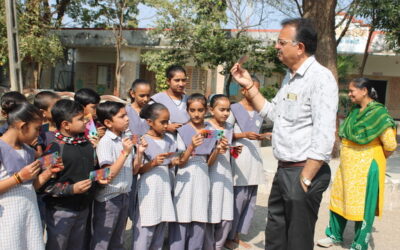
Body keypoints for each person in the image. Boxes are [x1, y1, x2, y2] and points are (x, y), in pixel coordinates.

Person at [231, 17, 338, 250]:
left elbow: (324, 133)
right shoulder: (290, 77)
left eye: (281, 42)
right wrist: (249, 86)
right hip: (284, 170)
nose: (276, 47)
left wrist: (307, 177)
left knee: (297, 241)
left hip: (303, 171)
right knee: (276, 235)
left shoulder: (320, 79)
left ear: (299, 47)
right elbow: (272, 112)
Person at [317, 78, 397, 250]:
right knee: (340, 199)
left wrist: (371, 156)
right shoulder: (354, 111)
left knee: (362, 206)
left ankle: (360, 243)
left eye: (353, 90)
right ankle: (334, 235)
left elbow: (390, 145)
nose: (350, 93)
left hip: (366, 167)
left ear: (364, 91)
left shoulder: (379, 114)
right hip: (347, 167)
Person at [42, 99, 104, 250]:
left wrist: (101, 176)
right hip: (61, 211)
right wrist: (72, 189)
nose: (86, 122)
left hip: (83, 208)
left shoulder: (88, 144)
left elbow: (92, 171)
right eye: (80, 119)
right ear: (65, 124)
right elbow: (45, 186)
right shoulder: (54, 148)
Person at [0, 102, 63, 250]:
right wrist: (19, 177)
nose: (39, 133)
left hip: (28, 212)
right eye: (37, 129)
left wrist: (48, 172)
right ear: (23, 126)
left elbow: (31, 187)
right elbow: (21, 180)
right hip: (7, 216)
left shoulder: (29, 151)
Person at [91, 101, 147, 250]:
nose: (127, 119)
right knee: (103, 240)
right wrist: (125, 152)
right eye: (122, 116)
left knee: (118, 240)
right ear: (108, 123)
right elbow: (108, 175)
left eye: (126, 115)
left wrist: (139, 152)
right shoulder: (106, 142)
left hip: (124, 195)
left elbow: (135, 170)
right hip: (109, 199)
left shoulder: (126, 139)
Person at [169, 93, 221, 250]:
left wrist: (218, 149)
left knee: (199, 216)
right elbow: (181, 161)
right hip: (185, 176)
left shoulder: (211, 131)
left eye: (200, 110)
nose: (196, 114)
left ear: (206, 110)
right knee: (182, 215)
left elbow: (209, 162)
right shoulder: (183, 130)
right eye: (192, 110)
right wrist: (191, 146)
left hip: (203, 176)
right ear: (187, 110)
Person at [225, 76, 268, 249]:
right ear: (243, 90)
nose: (254, 92)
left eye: (256, 89)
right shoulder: (234, 109)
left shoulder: (260, 110)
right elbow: (223, 134)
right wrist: (243, 135)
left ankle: (236, 235)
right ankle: (227, 235)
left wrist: (265, 137)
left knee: (250, 200)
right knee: (237, 199)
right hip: (238, 157)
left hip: (254, 159)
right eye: (251, 89)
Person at [133, 103, 180, 250]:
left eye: (168, 122)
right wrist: (153, 163)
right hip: (149, 190)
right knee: (146, 227)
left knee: (161, 223)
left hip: (165, 187)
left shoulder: (170, 140)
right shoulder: (142, 141)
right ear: (149, 122)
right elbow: (138, 170)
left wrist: (174, 162)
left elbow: (168, 165)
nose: (166, 126)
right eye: (162, 122)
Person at [203, 94, 233, 250]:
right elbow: (206, 153)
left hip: (226, 172)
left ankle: (219, 245)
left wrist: (233, 150)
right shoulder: (207, 128)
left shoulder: (229, 127)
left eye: (228, 110)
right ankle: (209, 246)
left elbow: (231, 151)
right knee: (212, 209)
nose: (226, 113)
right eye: (222, 109)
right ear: (211, 109)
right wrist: (217, 149)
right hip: (211, 172)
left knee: (226, 210)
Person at [125, 79, 151, 220]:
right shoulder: (125, 112)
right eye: (142, 96)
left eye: (148, 95)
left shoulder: (152, 111)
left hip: (149, 159)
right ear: (132, 93)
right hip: (132, 160)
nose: (145, 99)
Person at [150, 65, 190, 133]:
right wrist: (166, 127)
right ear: (168, 81)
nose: (181, 84)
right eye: (177, 80)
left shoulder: (189, 100)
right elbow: (147, 123)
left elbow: (200, 128)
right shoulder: (157, 100)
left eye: (183, 80)